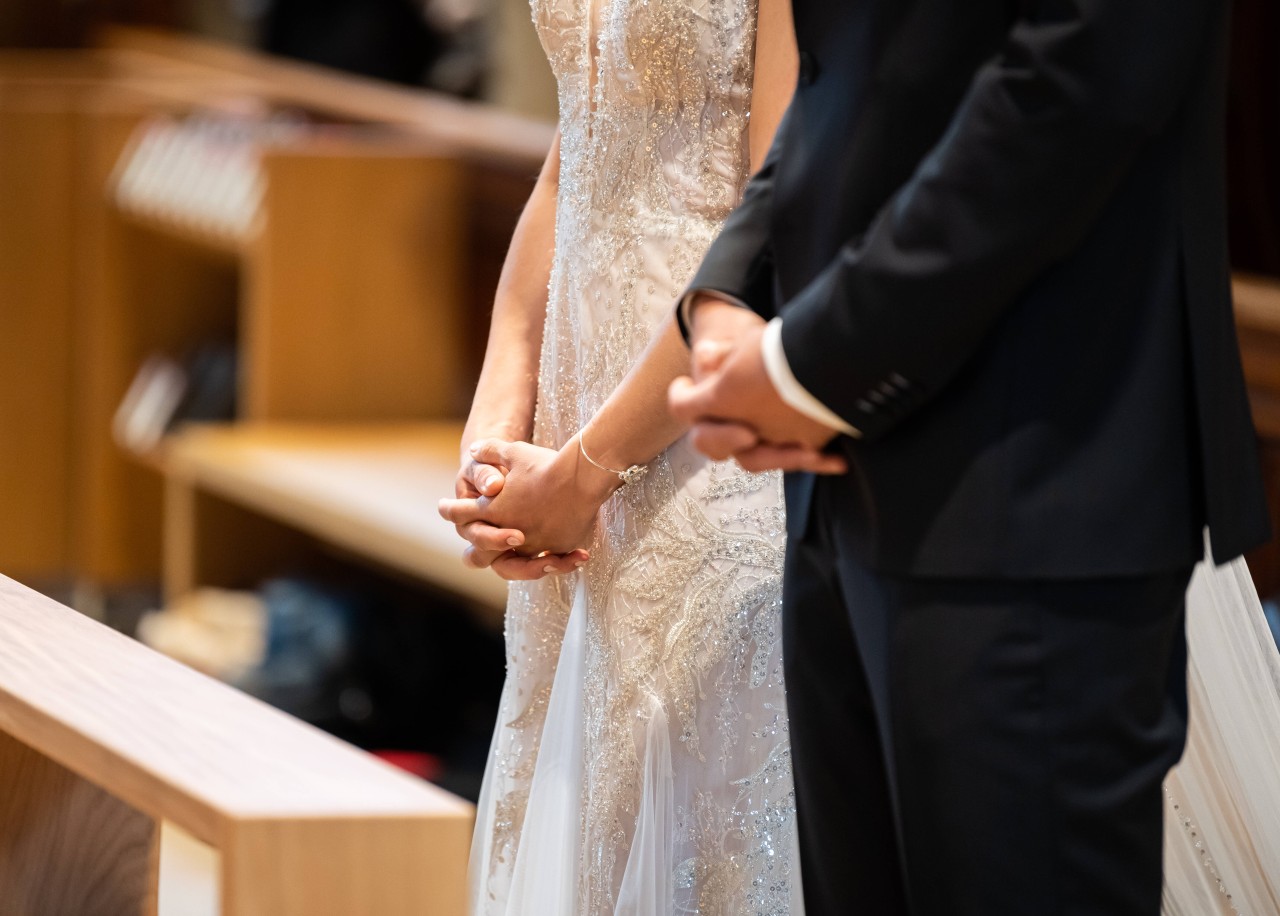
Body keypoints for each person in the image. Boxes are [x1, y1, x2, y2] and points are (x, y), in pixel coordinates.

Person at [659, 1, 1273, 915]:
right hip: (834, 490)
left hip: (1029, 477)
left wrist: (808, 366)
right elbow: (854, 78)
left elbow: (1078, 82)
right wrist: (729, 292)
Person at [437, 0, 827, 911]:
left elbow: (778, 208)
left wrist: (585, 471)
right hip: (572, 417)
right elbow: (570, 156)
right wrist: (496, 436)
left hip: (710, 414)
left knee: (700, 806)